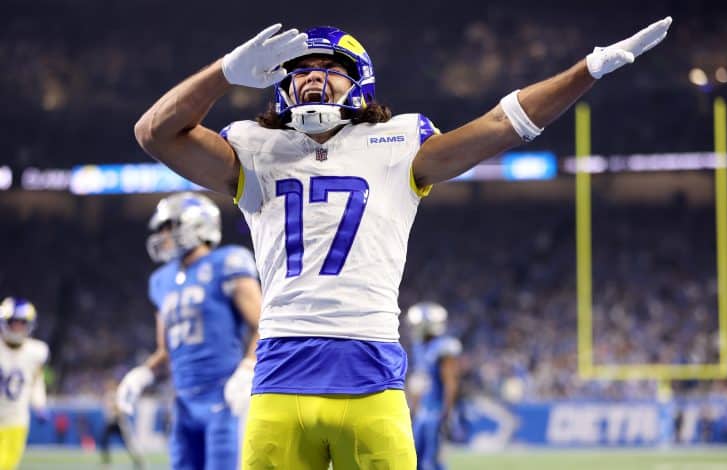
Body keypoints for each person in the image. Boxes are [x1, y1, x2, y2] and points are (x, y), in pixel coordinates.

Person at [132, 18, 673, 469]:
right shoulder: (254, 147)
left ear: (359, 81)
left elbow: (501, 124)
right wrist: (225, 72)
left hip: (369, 376)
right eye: (300, 70)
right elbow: (154, 132)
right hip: (279, 376)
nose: (312, 77)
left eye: (329, 68)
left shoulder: (397, 143)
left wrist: (587, 70)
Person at [117, 192, 262, 470]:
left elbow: (263, 324)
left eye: (169, 226)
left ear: (197, 224)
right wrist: (141, 375)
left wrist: (247, 369)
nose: (163, 235)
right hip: (183, 403)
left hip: (225, 396)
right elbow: (165, 351)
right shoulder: (162, 281)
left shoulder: (227, 262)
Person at [406, 302, 461, 470]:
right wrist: (414, 408)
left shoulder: (443, 347)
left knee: (432, 461)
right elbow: (419, 382)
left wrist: (446, 412)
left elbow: (450, 383)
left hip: (436, 412)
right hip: (422, 412)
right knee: (414, 459)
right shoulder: (419, 347)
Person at [0, 297, 49, 470]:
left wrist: (40, 404)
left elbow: (36, 382)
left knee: (6, 465)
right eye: (14, 322)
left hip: (15, 418)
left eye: (22, 323)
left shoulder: (36, 351)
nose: (17, 327)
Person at [99, 378, 144, 470]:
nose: (109, 386)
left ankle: (137, 461)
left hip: (118, 422)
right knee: (104, 440)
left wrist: (116, 408)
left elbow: (120, 409)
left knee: (127, 443)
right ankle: (106, 461)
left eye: (111, 385)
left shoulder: (119, 395)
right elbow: (107, 410)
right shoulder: (107, 395)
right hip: (110, 422)